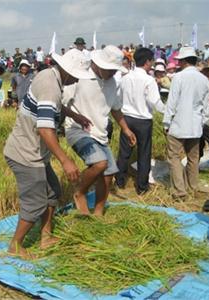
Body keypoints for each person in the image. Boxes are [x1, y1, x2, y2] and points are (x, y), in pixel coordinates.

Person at [3, 49, 93, 259]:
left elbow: (53, 106)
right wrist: (66, 160)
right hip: (25, 154)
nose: (77, 80)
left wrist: (74, 115)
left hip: (36, 152)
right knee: (35, 202)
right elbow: (45, 129)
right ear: (69, 72)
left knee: (53, 191)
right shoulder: (51, 86)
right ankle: (15, 245)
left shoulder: (49, 74)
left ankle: (46, 237)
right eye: (77, 76)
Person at [63, 45, 136, 215]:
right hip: (78, 130)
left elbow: (115, 108)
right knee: (99, 163)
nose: (111, 73)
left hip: (100, 133)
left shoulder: (112, 83)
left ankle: (98, 213)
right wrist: (74, 116)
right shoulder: (81, 76)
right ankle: (79, 192)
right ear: (98, 63)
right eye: (109, 69)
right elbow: (61, 103)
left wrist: (125, 129)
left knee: (109, 174)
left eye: (114, 70)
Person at [115, 48, 165, 195]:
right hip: (143, 121)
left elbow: (118, 98)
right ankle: (142, 187)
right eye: (151, 61)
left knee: (124, 152)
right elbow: (154, 101)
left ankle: (120, 182)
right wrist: (168, 112)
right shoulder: (149, 80)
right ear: (148, 62)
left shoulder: (125, 77)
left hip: (127, 118)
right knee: (144, 153)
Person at [163, 47, 209, 200]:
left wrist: (166, 122)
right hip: (195, 125)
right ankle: (193, 187)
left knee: (174, 157)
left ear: (183, 61)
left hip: (178, 124)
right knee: (193, 158)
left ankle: (180, 191)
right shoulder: (204, 79)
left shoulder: (179, 77)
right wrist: (202, 122)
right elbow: (206, 105)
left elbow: (172, 101)